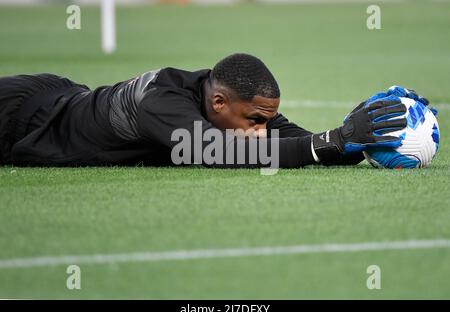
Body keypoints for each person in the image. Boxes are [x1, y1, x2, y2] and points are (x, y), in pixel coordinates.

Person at [0, 53, 407, 168]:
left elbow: (290, 137)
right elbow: (214, 150)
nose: (262, 129)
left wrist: (346, 140)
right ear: (218, 103)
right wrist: (325, 145)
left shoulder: (230, 102)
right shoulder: (160, 102)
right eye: (255, 120)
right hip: (15, 115)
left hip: (59, 94)